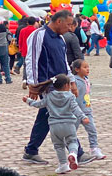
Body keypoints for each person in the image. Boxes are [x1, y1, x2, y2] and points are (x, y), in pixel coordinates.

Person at [22, 10, 94, 166]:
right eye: (68, 24)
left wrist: (72, 82)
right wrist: (33, 85)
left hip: (62, 84)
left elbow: (64, 63)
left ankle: (31, 150)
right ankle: (78, 153)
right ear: (59, 21)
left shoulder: (60, 38)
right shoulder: (38, 35)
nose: (70, 28)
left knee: (47, 116)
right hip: (46, 85)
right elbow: (31, 60)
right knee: (63, 115)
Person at [23, 74, 90, 174]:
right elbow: (76, 109)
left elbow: (38, 104)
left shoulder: (49, 96)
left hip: (54, 126)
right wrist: (83, 117)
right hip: (69, 125)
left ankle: (63, 165)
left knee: (58, 146)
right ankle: (73, 154)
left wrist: (28, 100)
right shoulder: (70, 97)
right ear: (67, 85)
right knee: (72, 142)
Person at [71, 59, 105, 160]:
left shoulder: (86, 79)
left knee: (92, 130)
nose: (87, 69)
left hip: (87, 111)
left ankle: (94, 148)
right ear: (77, 69)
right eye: (85, 67)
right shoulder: (75, 81)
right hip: (76, 112)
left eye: (88, 67)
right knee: (72, 132)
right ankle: (72, 151)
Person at [16, 17, 39, 89]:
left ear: (27, 22)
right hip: (34, 50)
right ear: (35, 22)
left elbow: (20, 40)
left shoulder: (23, 30)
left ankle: (24, 79)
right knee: (34, 65)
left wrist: (20, 48)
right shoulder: (36, 31)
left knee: (25, 65)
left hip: (25, 50)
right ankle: (32, 80)